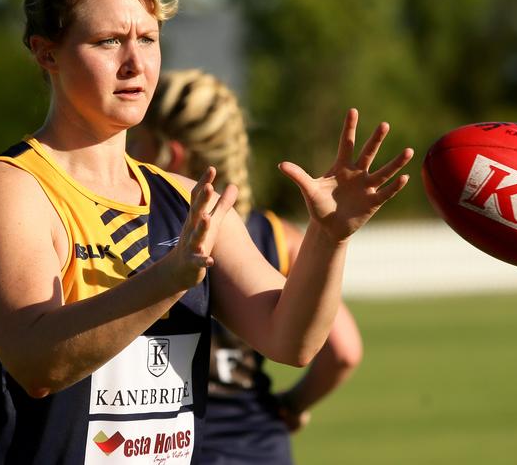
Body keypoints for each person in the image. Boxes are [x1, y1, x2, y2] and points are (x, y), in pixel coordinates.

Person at [0, 0, 414, 463]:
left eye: (147, 39)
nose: (135, 63)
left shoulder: (185, 199)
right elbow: (37, 364)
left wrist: (329, 239)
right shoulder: (13, 188)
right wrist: (167, 279)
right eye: (108, 41)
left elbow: (290, 339)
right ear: (46, 53)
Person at [128, 68, 364, 464]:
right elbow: (344, 352)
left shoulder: (135, 231)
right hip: (258, 445)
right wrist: (290, 405)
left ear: (173, 153)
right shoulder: (275, 234)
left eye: (137, 140)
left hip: (168, 445)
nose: (129, 152)